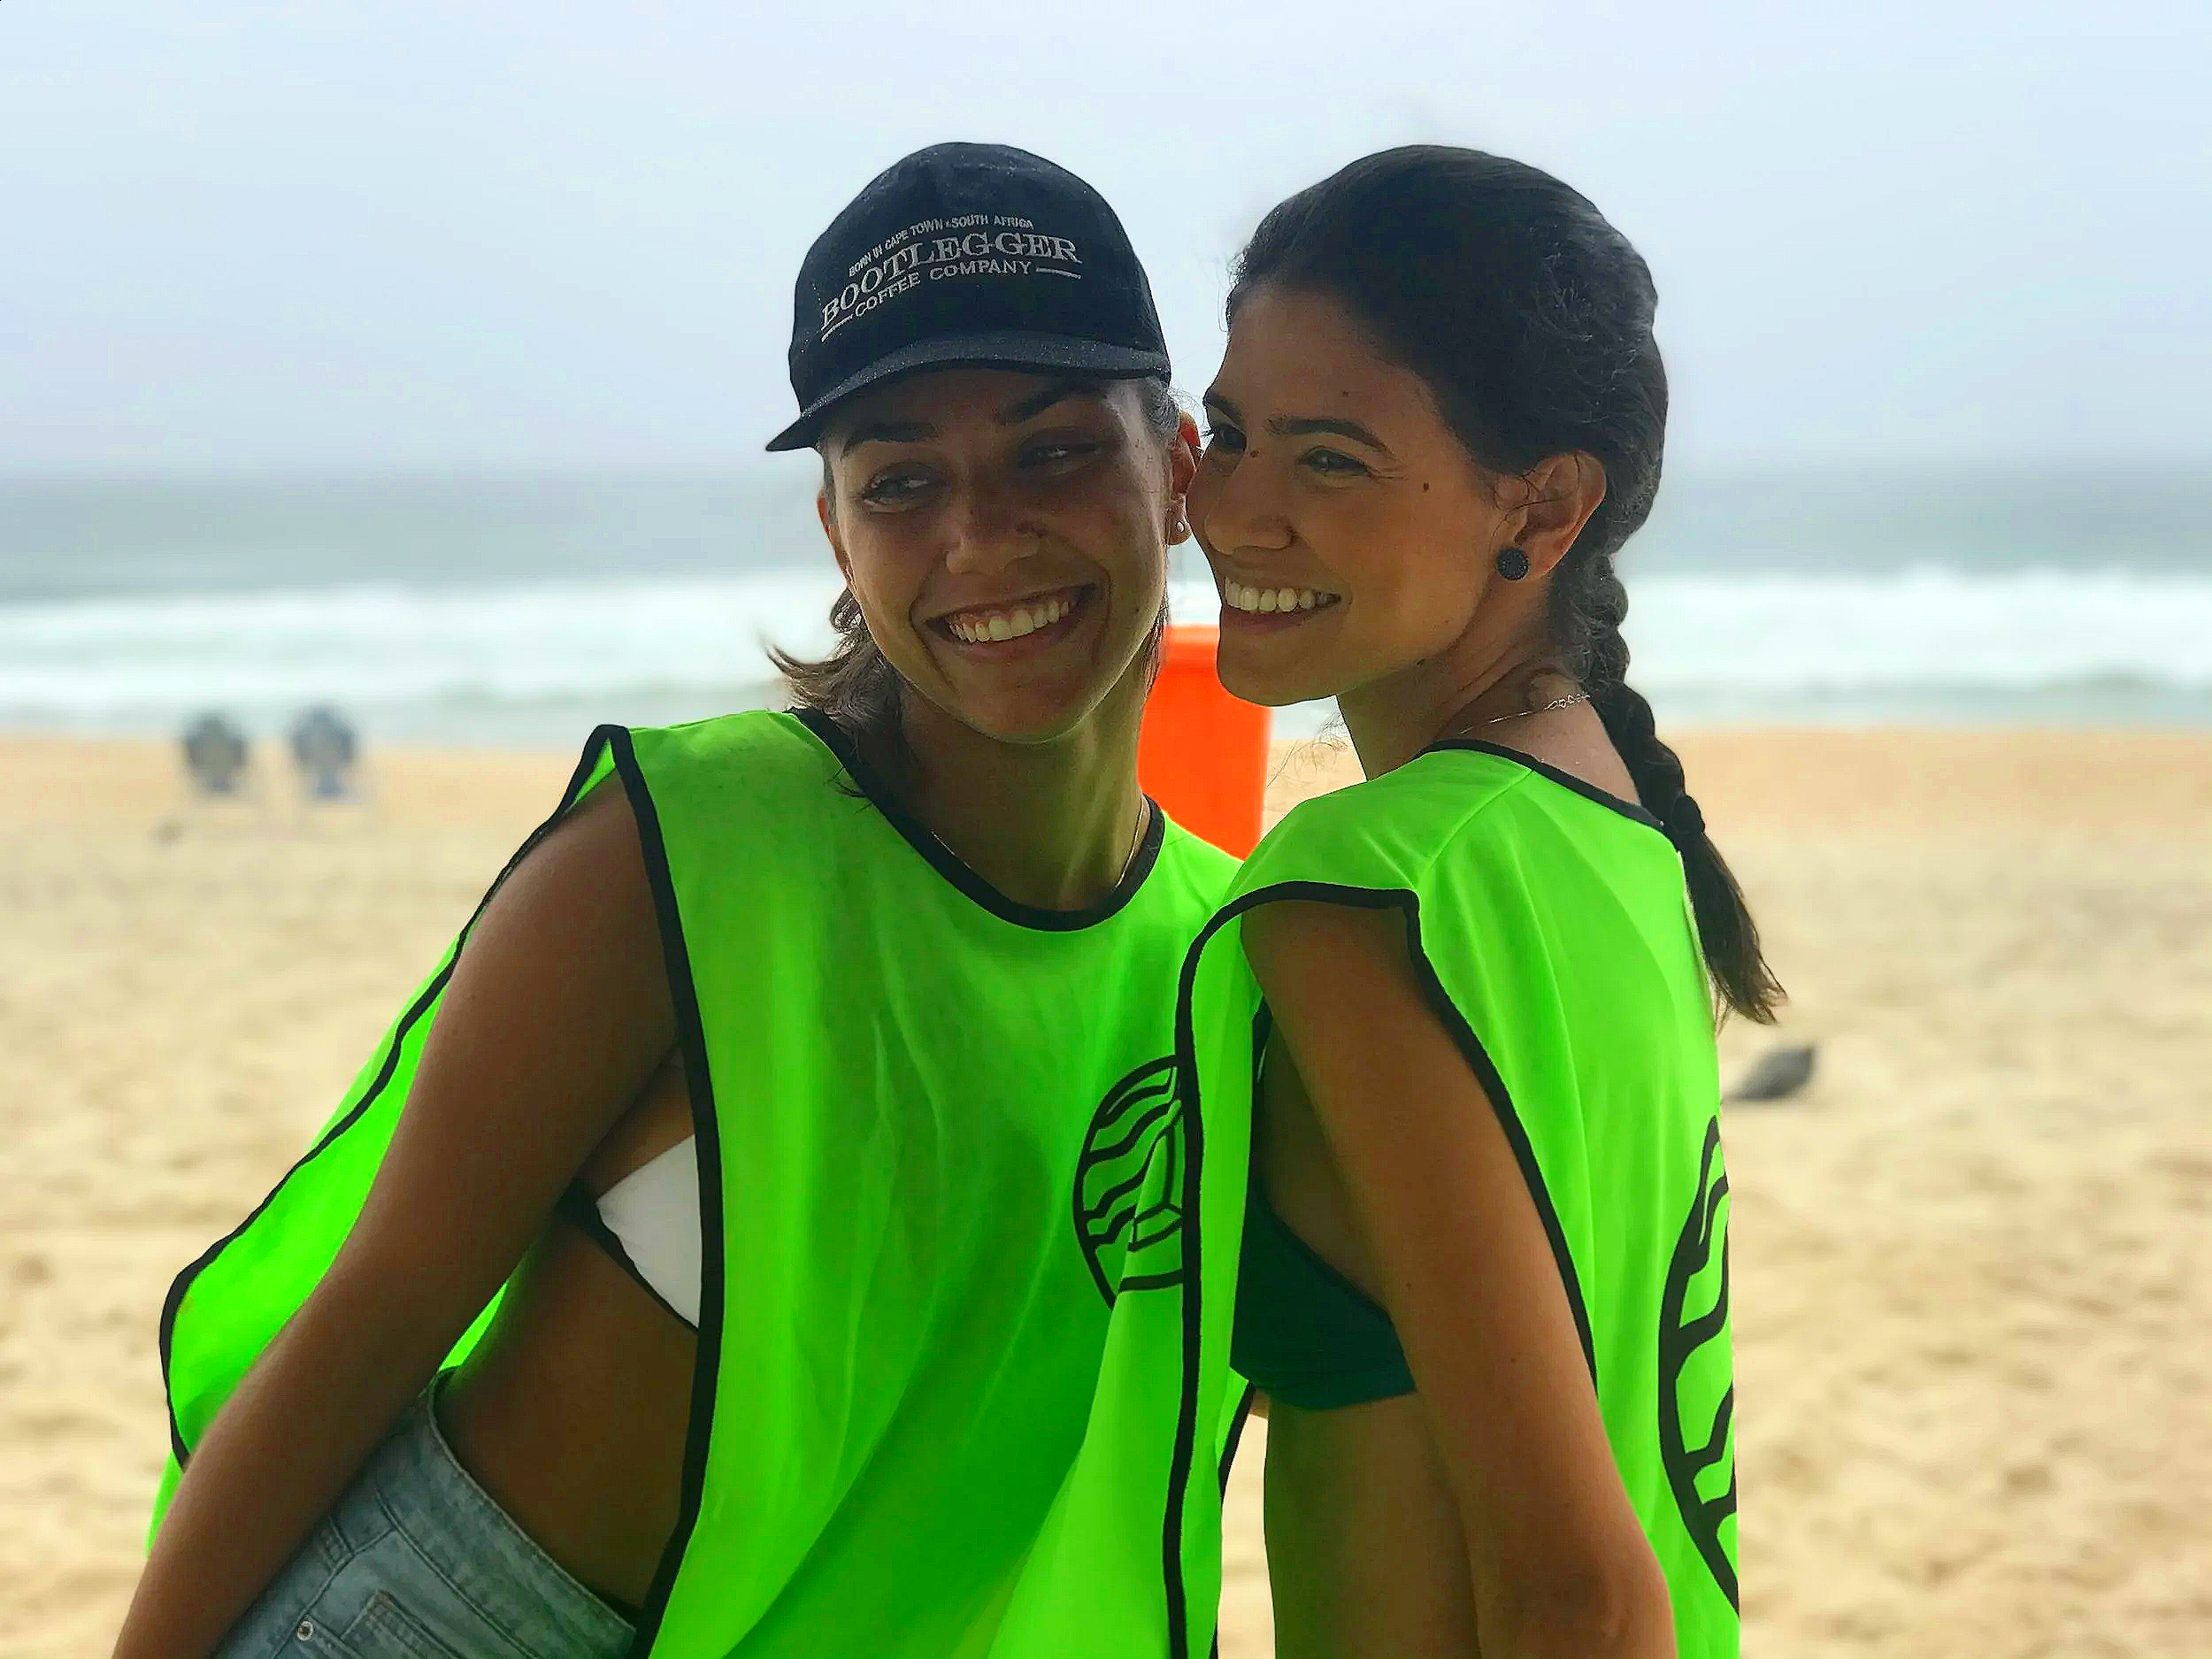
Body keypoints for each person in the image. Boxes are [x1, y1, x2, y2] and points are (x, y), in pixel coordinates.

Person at [118, 143, 1251, 1659]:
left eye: (1054, 453)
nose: (982, 537)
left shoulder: (1223, 955)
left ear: (1173, 468)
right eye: (902, 481)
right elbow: (366, 1328)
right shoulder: (682, 859)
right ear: (840, 537)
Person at [1176, 147, 1779, 1658]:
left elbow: (1582, 1593)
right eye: (1230, 434)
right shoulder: (1608, 829)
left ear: (1548, 505)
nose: (1231, 516)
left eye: (1329, 460)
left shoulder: (1359, 898)